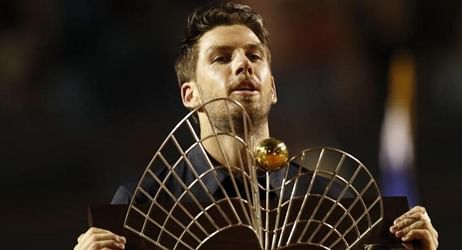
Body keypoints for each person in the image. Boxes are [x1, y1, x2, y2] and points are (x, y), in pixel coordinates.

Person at [74, 2, 438, 250]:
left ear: (273, 87)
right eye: (221, 58)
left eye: (254, 55)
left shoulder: (323, 198)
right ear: (190, 94)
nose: (242, 65)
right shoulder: (145, 204)